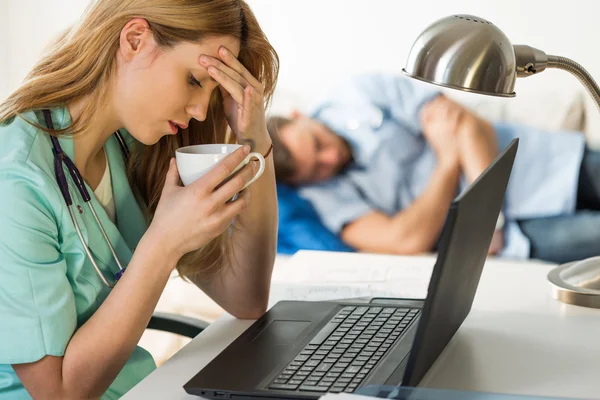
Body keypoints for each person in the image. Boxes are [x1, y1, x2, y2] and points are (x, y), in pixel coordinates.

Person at [0, 0, 279, 398]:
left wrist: (256, 139)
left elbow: (246, 298)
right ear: (135, 40)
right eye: (195, 80)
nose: (201, 111)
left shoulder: (133, 148)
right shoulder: (15, 179)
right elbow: (56, 393)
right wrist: (164, 243)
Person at [267, 73, 600, 264]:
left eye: (319, 144)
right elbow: (404, 240)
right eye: (316, 169)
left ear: (300, 115)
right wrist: (447, 161)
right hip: (518, 237)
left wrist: (486, 221)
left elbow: (467, 126)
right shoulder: (319, 199)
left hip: (542, 165)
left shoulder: (360, 93)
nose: (329, 159)